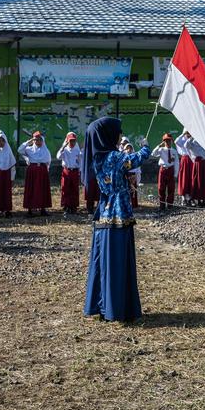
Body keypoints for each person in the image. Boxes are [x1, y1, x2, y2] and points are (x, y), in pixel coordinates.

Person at [82, 117, 150, 322]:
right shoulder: (113, 156)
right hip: (119, 215)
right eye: (117, 132)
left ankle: (103, 305)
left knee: (104, 262)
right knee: (117, 262)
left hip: (104, 214)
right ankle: (117, 307)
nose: (120, 136)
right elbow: (136, 159)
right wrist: (145, 146)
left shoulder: (98, 158)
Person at [19, 131, 52, 216]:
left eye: (40, 140)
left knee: (42, 189)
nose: (38, 142)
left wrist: (46, 170)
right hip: (32, 171)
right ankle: (30, 209)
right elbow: (20, 150)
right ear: (33, 141)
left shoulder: (46, 150)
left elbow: (48, 161)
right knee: (31, 189)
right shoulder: (29, 149)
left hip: (42, 171)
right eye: (36, 140)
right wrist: (28, 142)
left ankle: (43, 209)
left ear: (43, 140)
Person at [151, 133, 179, 212]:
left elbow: (176, 162)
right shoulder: (161, 150)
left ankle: (170, 205)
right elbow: (153, 154)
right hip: (163, 169)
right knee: (161, 188)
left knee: (171, 188)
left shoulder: (174, 151)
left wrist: (176, 174)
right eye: (166, 141)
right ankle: (162, 205)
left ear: (171, 141)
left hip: (171, 169)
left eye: (169, 140)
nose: (167, 142)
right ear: (163, 142)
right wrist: (159, 146)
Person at [57, 132, 82, 215]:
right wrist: (63, 147)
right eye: (70, 141)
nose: (72, 143)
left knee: (74, 189)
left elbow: (80, 162)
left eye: (74, 141)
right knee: (65, 189)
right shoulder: (64, 150)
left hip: (75, 171)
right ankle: (66, 206)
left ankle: (74, 206)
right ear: (67, 140)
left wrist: (80, 171)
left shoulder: (77, 150)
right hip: (66, 171)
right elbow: (58, 157)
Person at [185, 137, 205, 208]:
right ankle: (198, 200)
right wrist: (192, 136)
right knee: (197, 181)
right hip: (198, 163)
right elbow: (186, 145)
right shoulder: (193, 141)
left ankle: (204, 200)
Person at [174, 130, 194, 206]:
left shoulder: (192, 139)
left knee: (191, 178)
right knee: (184, 178)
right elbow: (176, 141)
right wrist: (183, 134)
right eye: (187, 133)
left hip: (192, 159)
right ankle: (184, 198)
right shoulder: (182, 140)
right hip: (185, 160)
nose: (189, 134)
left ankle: (190, 198)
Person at [123, 142, 141, 207]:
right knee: (125, 190)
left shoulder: (135, 157)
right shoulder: (123, 157)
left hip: (133, 175)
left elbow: (138, 168)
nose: (129, 150)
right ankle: (126, 204)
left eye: (130, 148)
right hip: (125, 175)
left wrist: (137, 177)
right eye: (127, 148)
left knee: (133, 190)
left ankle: (134, 205)